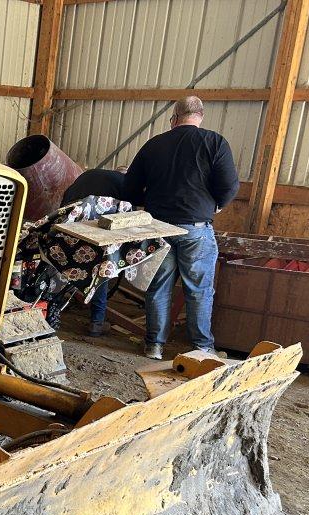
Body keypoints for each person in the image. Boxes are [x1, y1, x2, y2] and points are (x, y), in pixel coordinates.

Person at [122, 96, 239, 359]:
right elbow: (230, 185)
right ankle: (201, 349)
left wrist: (147, 203)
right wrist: (216, 206)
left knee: (159, 287)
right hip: (196, 229)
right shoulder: (215, 142)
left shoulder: (154, 145)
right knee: (198, 290)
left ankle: (154, 346)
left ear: (174, 118)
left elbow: (129, 187)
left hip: (159, 228)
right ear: (200, 116)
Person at [60, 168, 126, 337]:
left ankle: (53, 305)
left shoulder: (92, 174)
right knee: (103, 265)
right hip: (95, 224)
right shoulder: (125, 183)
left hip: (69, 220)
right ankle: (97, 322)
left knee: (64, 262)